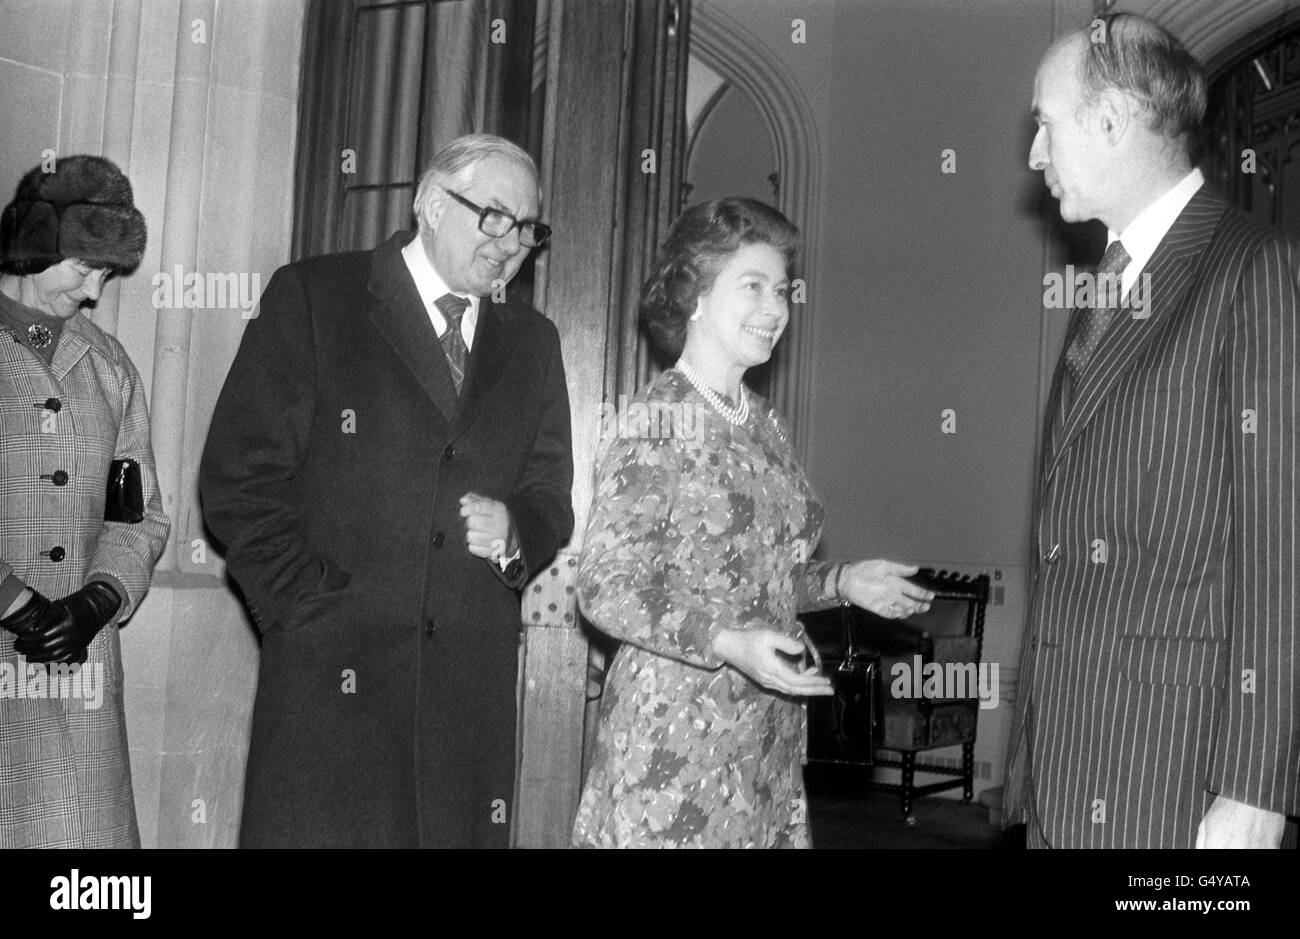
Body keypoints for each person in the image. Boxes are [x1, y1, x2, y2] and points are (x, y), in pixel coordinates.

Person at [199, 134, 573, 848]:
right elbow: (238, 476)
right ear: (431, 203)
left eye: (527, 228)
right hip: (330, 688)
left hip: (465, 703)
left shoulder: (535, 342)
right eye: (494, 216)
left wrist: (519, 529)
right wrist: (306, 607)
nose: (512, 243)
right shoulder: (316, 296)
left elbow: (550, 490)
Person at [1004, 13, 1298, 848]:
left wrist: (1254, 790)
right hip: (1067, 768)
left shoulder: (1253, 266)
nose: (1034, 154)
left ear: (1109, 121)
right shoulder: (1107, 283)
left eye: (1043, 126)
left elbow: (1282, 549)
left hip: (1175, 777)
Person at [571, 197, 935, 848]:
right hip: (675, 741)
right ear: (696, 295)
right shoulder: (658, 420)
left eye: (782, 291)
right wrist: (726, 642)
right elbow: (604, 585)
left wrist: (843, 580)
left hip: (762, 735)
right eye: (753, 287)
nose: (776, 309)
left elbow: (763, 578)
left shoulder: (762, 421)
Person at [0, 155, 170, 848]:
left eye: (107, 272)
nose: (96, 291)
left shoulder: (111, 365)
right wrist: (15, 602)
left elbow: (141, 515)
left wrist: (98, 599)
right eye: (83, 266)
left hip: (81, 670)